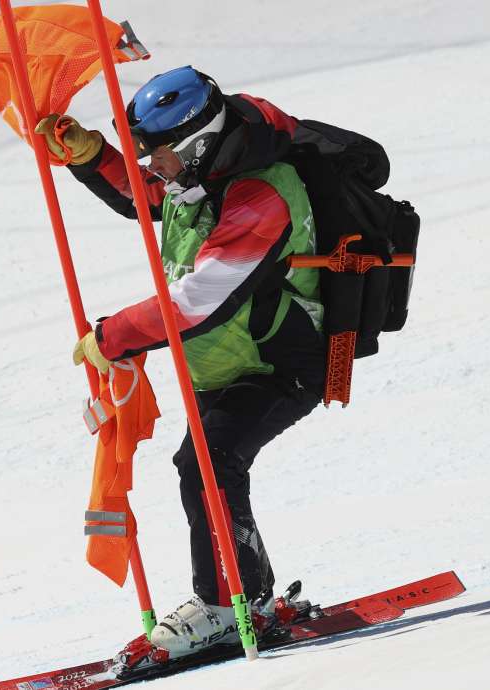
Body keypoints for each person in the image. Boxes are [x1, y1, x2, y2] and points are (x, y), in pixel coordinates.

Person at [35, 66, 326, 661]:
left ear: (197, 145)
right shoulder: (198, 179)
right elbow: (147, 199)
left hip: (279, 364)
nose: (153, 167)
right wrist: (92, 157)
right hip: (227, 363)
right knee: (207, 466)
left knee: (208, 463)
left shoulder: (260, 195)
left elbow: (199, 301)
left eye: (159, 154)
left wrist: (113, 336)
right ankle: (249, 598)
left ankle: (228, 605)